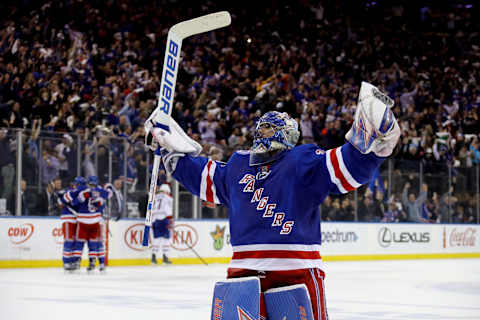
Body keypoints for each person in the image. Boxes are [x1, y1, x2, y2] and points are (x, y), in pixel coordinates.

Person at [149, 82, 400, 320]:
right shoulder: (300, 159)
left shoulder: (237, 165)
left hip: (243, 274)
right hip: (295, 271)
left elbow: (200, 176)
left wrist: (170, 150)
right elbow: (350, 168)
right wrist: (375, 144)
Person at [75, 175, 112, 273]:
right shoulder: (100, 191)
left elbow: (78, 200)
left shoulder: (85, 191)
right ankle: (100, 264)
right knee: (97, 243)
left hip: (83, 220)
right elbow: (109, 195)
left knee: (82, 243)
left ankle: (84, 262)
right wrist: (107, 188)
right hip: (96, 220)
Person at [58, 176, 86, 271]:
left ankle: (75, 260)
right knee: (69, 240)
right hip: (68, 218)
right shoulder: (69, 191)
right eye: (79, 184)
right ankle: (66, 261)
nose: (80, 186)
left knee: (78, 241)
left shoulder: (83, 193)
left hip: (79, 219)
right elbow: (63, 201)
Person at [150, 183, 174, 265]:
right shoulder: (168, 198)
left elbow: (152, 209)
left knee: (156, 239)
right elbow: (168, 209)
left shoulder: (155, 197)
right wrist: (170, 220)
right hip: (164, 219)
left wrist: (152, 221)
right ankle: (165, 257)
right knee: (166, 239)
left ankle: (153, 257)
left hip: (155, 219)